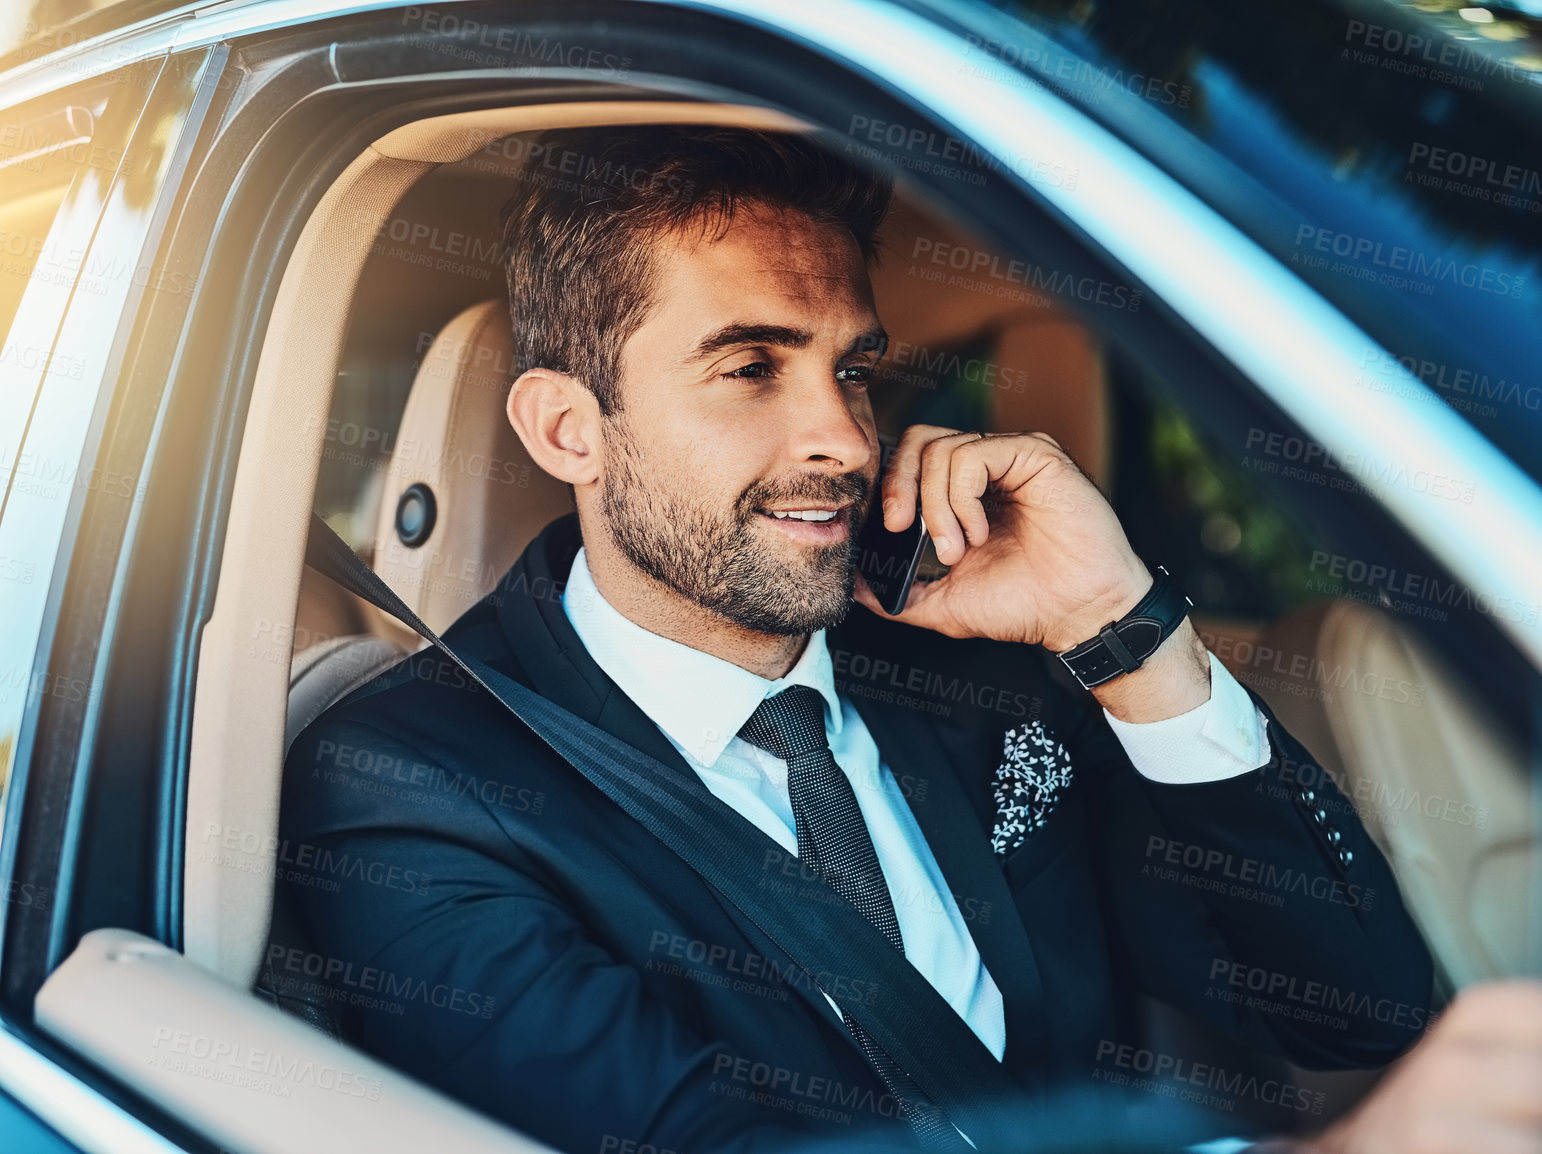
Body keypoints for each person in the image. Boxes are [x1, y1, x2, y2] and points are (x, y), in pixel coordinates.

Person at [270, 125, 1461, 1152]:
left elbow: (1355, 1014)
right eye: (750, 366)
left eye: (855, 369)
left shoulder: (979, 673)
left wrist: (1120, 628)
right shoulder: (407, 782)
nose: (843, 435)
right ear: (569, 429)